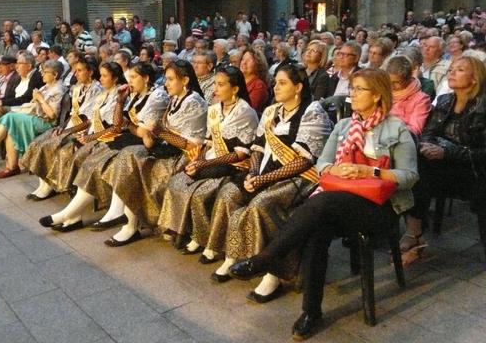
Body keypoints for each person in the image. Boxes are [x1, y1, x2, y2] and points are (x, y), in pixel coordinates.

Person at [228, 68, 418, 340]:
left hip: (379, 206)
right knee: (318, 229)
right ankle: (311, 311)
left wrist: (370, 171)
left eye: (359, 89)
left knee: (322, 203)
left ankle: (266, 258)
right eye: (351, 88)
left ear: (377, 95)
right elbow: (322, 164)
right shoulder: (344, 126)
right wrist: (336, 169)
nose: (352, 93)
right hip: (341, 199)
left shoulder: (396, 128)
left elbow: (410, 177)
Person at [201, 66, 331, 299]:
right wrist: (253, 174)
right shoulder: (271, 111)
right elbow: (258, 148)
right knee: (229, 193)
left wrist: (264, 179)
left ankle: (273, 273)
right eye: (276, 82)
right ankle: (232, 255)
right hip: (263, 172)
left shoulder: (312, 112)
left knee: (262, 203)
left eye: (282, 83)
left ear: (298, 87)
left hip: (299, 178)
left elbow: (305, 160)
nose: (275, 87)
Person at [101, 60, 208, 246]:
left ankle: (129, 224)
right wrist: (152, 135)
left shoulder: (195, 102)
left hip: (185, 158)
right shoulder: (175, 98)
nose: (166, 84)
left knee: (134, 162)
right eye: (166, 79)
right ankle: (127, 222)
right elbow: (127, 126)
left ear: (185, 80)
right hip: (167, 149)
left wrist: (158, 132)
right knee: (130, 155)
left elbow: (191, 145)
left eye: (171, 79)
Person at [158, 66, 258, 251]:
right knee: (177, 182)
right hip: (212, 160)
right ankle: (182, 229)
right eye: (215, 84)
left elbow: (241, 153)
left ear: (235, 89)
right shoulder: (214, 109)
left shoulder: (246, 112)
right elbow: (209, 141)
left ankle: (202, 238)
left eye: (221, 85)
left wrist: (205, 163)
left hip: (234, 166)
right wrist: (198, 160)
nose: (215, 89)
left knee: (199, 194)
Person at [403, 56, 486, 266]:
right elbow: (428, 132)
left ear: (475, 78)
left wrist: (446, 153)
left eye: (460, 69)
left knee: (418, 171)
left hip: (474, 171)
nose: (451, 72)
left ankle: (414, 236)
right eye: (451, 69)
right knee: (412, 168)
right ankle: (415, 234)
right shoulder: (445, 101)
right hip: (442, 166)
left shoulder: (483, 106)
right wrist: (427, 147)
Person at [36, 62, 129, 230]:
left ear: (115, 78)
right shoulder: (103, 94)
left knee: (81, 159)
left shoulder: (120, 96)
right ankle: (72, 215)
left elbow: (115, 127)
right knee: (72, 155)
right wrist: (73, 131)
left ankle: (69, 215)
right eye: (101, 75)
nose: (101, 78)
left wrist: (89, 136)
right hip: (95, 136)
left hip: (110, 140)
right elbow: (89, 119)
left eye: (105, 75)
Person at [21, 56, 102, 199]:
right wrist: (62, 126)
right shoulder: (78, 88)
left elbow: (89, 120)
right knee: (38, 143)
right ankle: (43, 184)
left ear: (90, 72)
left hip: (85, 130)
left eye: (80, 70)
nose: (76, 74)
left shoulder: (97, 90)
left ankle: (50, 185)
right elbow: (73, 114)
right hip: (71, 126)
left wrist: (67, 131)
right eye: (75, 70)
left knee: (50, 145)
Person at [0, 60, 66, 178]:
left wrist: (40, 99)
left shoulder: (58, 89)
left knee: (9, 117)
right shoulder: (47, 86)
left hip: (46, 122)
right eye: (42, 71)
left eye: (45, 72)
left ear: (55, 75)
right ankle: (12, 166)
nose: (42, 74)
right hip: (35, 117)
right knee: (10, 126)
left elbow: (52, 115)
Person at [385, 56, 431, 136]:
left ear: (408, 78)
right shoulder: (383, 91)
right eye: (389, 81)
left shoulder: (421, 100)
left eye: (396, 82)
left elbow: (415, 129)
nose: (391, 86)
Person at [240, 48, 269, 113]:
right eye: (243, 59)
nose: (244, 63)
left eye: (249, 60)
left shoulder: (259, 85)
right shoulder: (236, 80)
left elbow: (247, 109)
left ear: (258, 64)